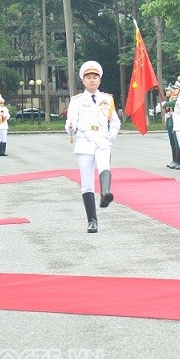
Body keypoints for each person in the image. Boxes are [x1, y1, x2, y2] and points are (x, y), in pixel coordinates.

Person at [64, 60, 121, 234]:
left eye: (95, 77)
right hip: (84, 142)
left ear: (100, 80)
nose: (92, 80)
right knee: (87, 183)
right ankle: (92, 221)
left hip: (102, 141)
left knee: (105, 165)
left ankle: (105, 193)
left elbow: (115, 121)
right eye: (88, 77)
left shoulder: (107, 99)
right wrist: (71, 127)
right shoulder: (77, 101)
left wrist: (111, 135)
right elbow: (69, 124)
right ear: (83, 80)